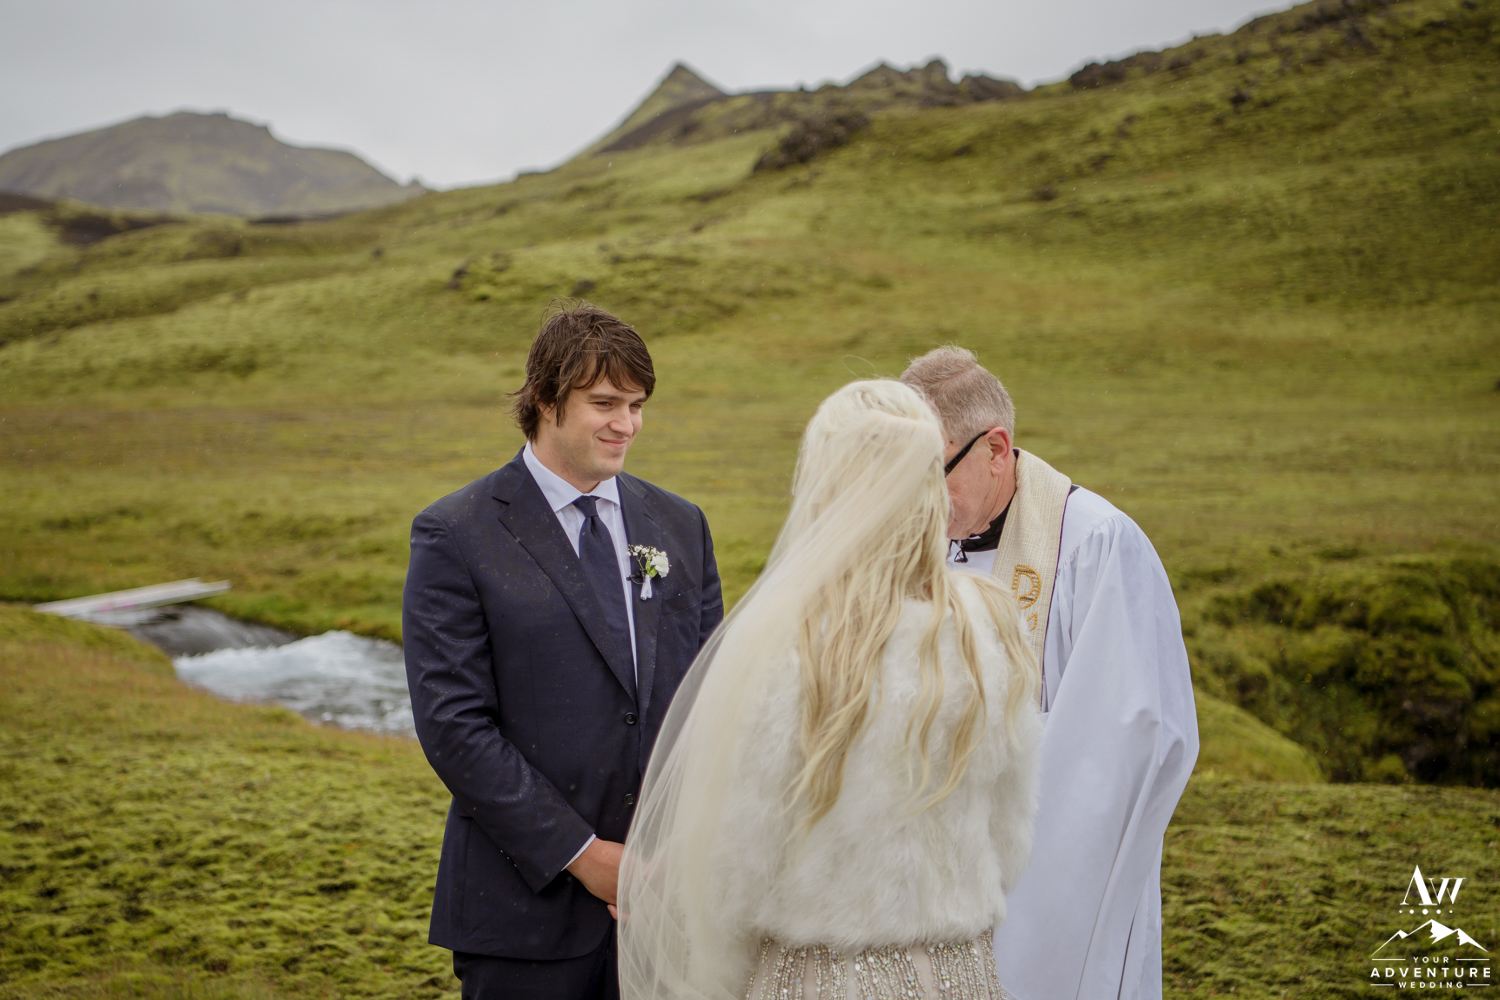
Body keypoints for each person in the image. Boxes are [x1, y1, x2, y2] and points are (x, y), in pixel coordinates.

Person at [617, 379, 1042, 1000]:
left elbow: (736, 870)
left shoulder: (788, 644)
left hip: (818, 976)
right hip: (958, 972)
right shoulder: (993, 629)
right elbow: (1010, 837)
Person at [403, 303, 724, 1000]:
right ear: (545, 398)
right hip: (522, 911)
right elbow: (454, 727)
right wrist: (584, 856)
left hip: (664, 904)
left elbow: (710, 700)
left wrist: (678, 852)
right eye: (605, 402)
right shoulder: (455, 534)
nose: (626, 424)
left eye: (637, 405)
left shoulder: (680, 525)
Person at [899, 347, 1199, 1000]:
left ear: (996, 449)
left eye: (928, 469)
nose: (911, 494)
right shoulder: (910, 539)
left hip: (1050, 884)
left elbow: (1131, 738)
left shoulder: (1096, 547)